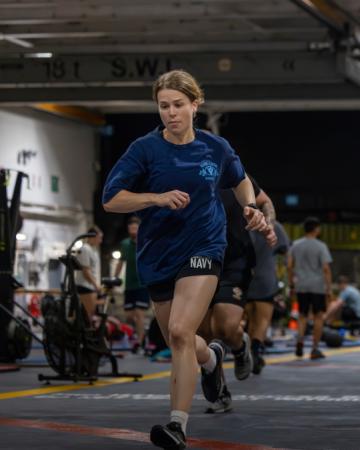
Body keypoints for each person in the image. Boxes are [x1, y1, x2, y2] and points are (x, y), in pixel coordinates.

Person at [102, 69, 266, 449]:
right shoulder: (144, 150)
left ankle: (177, 425)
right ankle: (211, 362)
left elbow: (240, 179)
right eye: (163, 106)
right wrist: (155, 198)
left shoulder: (215, 148)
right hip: (157, 254)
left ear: (196, 104)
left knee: (178, 332)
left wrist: (251, 207)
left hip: (205, 245)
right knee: (184, 338)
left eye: (178, 105)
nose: (171, 113)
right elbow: (111, 200)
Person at [198, 174, 277, 413]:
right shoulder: (179, 175)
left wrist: (268, 223)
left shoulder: (230, 171)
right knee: (203, 334)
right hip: (196, 260)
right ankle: (220, 392)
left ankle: (240, 347)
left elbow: (265, 201)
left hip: (234, 261)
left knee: (224, 328)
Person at [246, 216, 290, 375]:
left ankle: (249, 353)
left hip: (246, 277)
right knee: (263, 320)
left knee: (251, 319)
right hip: (266, 277)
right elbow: (284, 252)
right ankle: (256, 352)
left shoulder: (244, 224)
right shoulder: (275, 226)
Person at [288, 216, 333, 360]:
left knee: (302, 316)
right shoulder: (321, 246)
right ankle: (314, 349)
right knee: (318, 317)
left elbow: (289, 266)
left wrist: (292, 284)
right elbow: (326, 268)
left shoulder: (295, 245)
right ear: (316, 229)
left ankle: (300, 342)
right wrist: (329, 288)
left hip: (301, 286)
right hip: (317, 286)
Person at [114, 216, 150, 353]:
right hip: (129, 285)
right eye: (131, 227)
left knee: (139, 314)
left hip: (142, 284)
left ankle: (140, 342)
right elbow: (120, 262)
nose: (133, 229)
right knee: (129, 316)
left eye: (135, 227)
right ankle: (140, 334)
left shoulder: (145, 242)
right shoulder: (124, 244)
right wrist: (115, 278)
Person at [74, 225, 104, 324]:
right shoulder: (85, 249)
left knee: (93, 315)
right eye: (99, 238)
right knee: (90, 316)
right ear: (92, 237)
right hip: (85, 286)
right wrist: (96, 286)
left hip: (91, 286)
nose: (100, 241)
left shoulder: (93, 251)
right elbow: (86, 271)